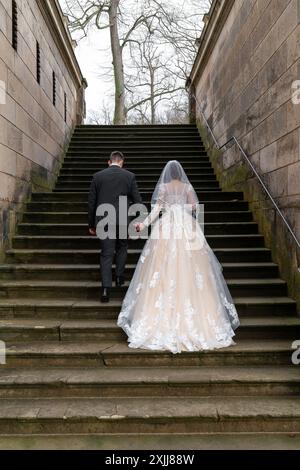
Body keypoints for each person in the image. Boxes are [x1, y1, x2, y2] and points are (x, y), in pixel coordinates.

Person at [117, 160, 240, 353]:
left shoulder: (164, 187)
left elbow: (156, 211)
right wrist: (183, 209)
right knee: (193, 271)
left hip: (166, 228)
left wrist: (142, 225)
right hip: (187, 229)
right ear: (180, 173)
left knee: (161, 268)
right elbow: (195, 207)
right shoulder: (187, 186)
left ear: (167, 173)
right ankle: (202, 323)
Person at [88, 151, 142, 303]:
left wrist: (91, 224)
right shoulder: (129, 176)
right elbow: (138, 201)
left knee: (106, 254)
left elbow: (91, 202)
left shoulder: (97, 177)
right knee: (122, 247)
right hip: (124, 219)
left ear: (109, 162)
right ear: (122, 162)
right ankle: (119, 277)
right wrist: (137, 221)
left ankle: (105, 289)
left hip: (104, 219)